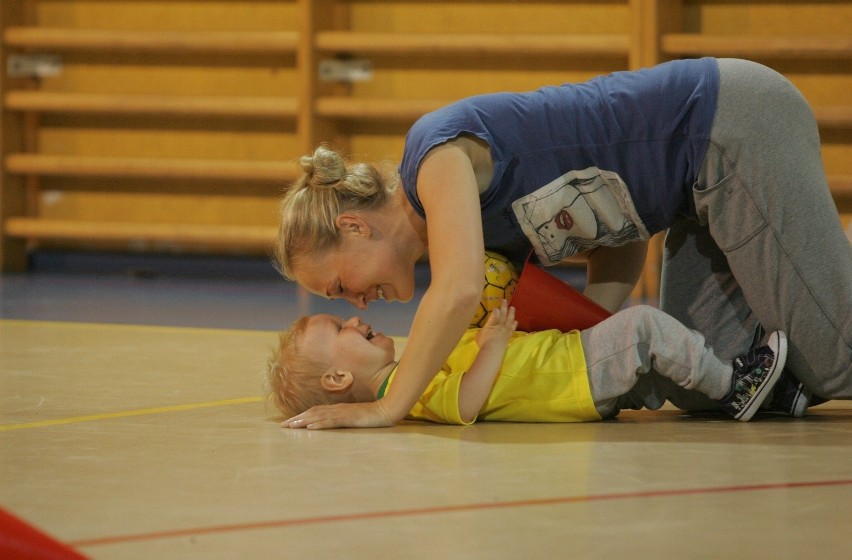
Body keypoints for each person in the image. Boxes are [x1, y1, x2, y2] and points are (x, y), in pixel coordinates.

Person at [276, 57, 851, 429]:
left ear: (353, 227)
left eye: (337, 285)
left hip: (725, 124)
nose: (353, 302)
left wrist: (386, 406)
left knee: (836, 365)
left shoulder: (433, 155)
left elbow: (455, 292)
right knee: (706, 387)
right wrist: (592, 326)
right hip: (690, 200)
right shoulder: (483, 234)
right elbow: (619, 228)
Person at [270, 302, 791, 426]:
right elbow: (466, 403)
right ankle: (734, 386)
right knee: (645, 328)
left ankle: (769, 396)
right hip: (573, 372)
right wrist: (492, 343)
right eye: (341, 330)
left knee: (664, 368)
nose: (357, 319)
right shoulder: (407, 390)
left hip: (569, 370)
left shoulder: (412, 371)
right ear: (338, 379)